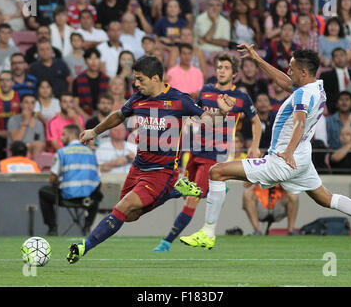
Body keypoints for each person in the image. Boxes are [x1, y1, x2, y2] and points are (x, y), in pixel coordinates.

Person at [178, 44, 351, 251]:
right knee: (326, 198)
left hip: (283, 160)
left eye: (291, 68)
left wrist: (287, 152)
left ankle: (207, 233)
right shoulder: (315, 87)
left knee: (217, 171)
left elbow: (299, 120)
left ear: (303, 72)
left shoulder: (304, 94)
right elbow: (285, 83)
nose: (288, 71)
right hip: (302, 158)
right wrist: (257, 59)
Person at [66, 55, 236, 264]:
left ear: (155, 78)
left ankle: (83, 247)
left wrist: (221, 112)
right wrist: (95, 131)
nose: (136, 84)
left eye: (140, 79)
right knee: (130, 215)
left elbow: (208, 122)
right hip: (138, 168)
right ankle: (174, 190)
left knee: (122, 208)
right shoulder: (138, 98)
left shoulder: (179, 100)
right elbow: (119, 115)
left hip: (161, 172)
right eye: (135, 79)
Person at [153, 52, 262, 253]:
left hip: (216, 155)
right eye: (219, 67)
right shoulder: (206, 91)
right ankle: (213, 190)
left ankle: (166, 242)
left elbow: (256, 122)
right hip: (195, 150)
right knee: (180, 190)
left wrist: (254, 146)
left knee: (191, 197)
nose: (221, 71)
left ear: (235, 73)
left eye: (226, 68)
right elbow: (193, 111)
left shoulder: (241, 98)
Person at [39, 124, 103, 236]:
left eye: (63, 134)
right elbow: (98, 180)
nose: (61, 138)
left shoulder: (62, 152)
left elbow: (52, 178)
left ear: (71, 134)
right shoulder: (92, 153)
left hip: (66, 196)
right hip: (88, 199)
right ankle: (87, 227)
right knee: (98, 194)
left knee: (43, 192)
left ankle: (52, 228)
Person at [73, 47, 110, 120]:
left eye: (96, 58)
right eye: (90, 58)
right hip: (84, 114)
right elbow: (75, 104)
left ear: (99, 60)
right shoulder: (78, 80)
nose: (93, 62)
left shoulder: (106, 79)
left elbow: (111, 100)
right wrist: (86, 116)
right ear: (85, 61)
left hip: (105, 114)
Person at [319, 48, 351, 115]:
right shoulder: (326, 76)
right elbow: (326, 95)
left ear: (346, 57)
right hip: (335, 107)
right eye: (336, 56)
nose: (339, 58)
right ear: (333, 60)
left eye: (342, 55)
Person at [7, 93, 46, 159]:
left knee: (38, 145)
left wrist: (32, 146)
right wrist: (25, 121)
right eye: (26, 102)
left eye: (32, 103)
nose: (29, 105)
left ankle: (33, 166)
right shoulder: (13, 120)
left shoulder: (39, 123)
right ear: (21, 104)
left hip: (34, 150)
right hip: (17, 149)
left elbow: (42, 144)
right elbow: (16, 140)